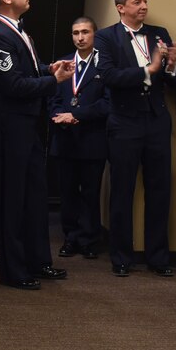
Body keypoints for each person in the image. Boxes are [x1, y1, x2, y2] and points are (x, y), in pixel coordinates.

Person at [0, 0, 72, 290]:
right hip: (9, 127)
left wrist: (49, 69)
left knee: (35, 196)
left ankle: (38, 261)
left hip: (28, 124)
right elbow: (13, 85)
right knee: (12, 199)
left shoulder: (19, 33)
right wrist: (54, 83)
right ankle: (13, 270)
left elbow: (26, 72)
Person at [95, 0, 176, 277]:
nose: (144, 6)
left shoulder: (159, 33)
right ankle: (121, 256)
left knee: (160, 190)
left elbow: (173, 79)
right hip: (124, 122)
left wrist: (171, 67)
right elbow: (109, 76)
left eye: (145, 1)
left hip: (157, 122)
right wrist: (149, 69)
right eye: (137, 2)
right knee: (122, 190)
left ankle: (158, 257)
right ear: (121, 7)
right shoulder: (106, 37)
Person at [49, 17, 110, 259]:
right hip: (65, 139)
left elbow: (107, 104)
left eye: (85, 32)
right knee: (68, 192)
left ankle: (88, 239)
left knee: (91, 192)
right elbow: (51, 99)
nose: (80, 37)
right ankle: (70, 238)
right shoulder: (64, 64)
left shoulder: (104, 65)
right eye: (75, 33)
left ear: (95, 34)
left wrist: (76, 115)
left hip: (92, 138)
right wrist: (59, 116)